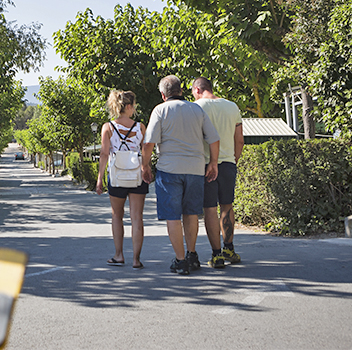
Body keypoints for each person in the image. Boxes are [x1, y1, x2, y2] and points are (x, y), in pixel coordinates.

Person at [141, 75, 220, 275]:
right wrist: (213, 163)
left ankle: (180, 260)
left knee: (172, 217)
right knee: (191, 213)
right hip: (195, 169)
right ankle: (192, 254)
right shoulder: (197, 109)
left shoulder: (160, 110)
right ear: (181, 91)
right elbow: (213, 139)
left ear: (163, 94)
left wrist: (145, 165)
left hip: (169, 169)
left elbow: (149, 143)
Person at [192, 76, 244, 268]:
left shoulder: (196, 108)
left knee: (210, 210)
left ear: (197, 90)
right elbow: (240, 140)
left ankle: (216, 255)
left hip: (205, 164)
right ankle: (229, 248)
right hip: (228, 163)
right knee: (227, 206)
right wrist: (233, 160)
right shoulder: (232, 106)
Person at [96, 90, 148, 269]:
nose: (134, 109)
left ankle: (119, 255)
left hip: (116, 176)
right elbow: (145, 150)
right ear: (128, 106)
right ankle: (136, 259)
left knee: (117, 216)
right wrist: (146, 167)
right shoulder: (140, 127)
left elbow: (104, 153)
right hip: (137, 176)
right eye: (133, 106)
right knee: (137, 217)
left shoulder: (108, 127)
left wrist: (100, 178)